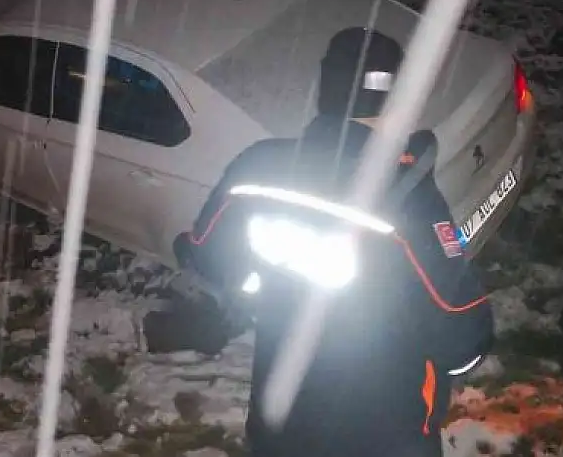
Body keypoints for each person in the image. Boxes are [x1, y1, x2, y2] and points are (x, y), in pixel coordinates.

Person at [172, 27, 495, 457]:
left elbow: (206, 256)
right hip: (382, 433)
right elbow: (463, 335)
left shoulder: (259, 168)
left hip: (281, 423)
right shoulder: (408, 200)